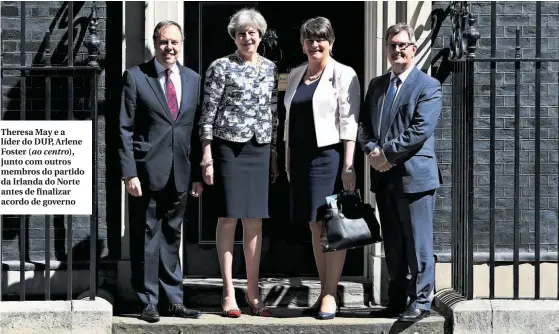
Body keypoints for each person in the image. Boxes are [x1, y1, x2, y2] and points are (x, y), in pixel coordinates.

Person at [119, 20, 204, 323]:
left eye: (175, 42)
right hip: (145, 172)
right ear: (155, 44)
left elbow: (194, 131)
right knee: (146, 237)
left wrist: (197, 173)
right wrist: (129, 173)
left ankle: (174, 301)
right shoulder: (135, 77)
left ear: (182, 44)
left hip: (180, 171)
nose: (170, 48)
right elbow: (124, 129)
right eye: (164, 42)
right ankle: (147, 302)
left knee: (172, 236)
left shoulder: (193, 79)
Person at [357, 23, 442, 322]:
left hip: (414, 176)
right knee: (392, 241)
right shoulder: (377, 85)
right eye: (392, 45)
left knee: (418, 241)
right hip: (384, 177)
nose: (397, 50)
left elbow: (420, 129)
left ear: (414, 49)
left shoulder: (428, 85)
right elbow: (363, 124)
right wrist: (370, 151)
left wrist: (386, 154)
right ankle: (397, 300)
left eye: (403, 45)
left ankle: (421, 301)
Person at [198, 8, 278, 318]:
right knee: (229, 217)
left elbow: (273, 113)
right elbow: (207, 113)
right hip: (228, 148)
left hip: (259, 148)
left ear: (260, 36)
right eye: (242, 33)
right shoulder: (220, 67)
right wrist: (206, 156)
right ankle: (228, 291)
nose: (248, 37)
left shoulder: (271, 69)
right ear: (235, 37)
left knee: (255, 219)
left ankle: (253, 291)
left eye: (253, 32)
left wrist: (273, 154)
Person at [283, 16, 360, 320]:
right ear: (302, 44)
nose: (316, 45)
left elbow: (349, 122)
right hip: (301, 160)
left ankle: (330, 293)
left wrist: (349, 166)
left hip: (329, 158)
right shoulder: (297, 74)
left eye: (321, 39)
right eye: (310, 40)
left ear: (331, 42)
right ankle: (323, 287)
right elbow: (289, 118)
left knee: (331, 227)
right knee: (315, 225)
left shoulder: (343, 74)